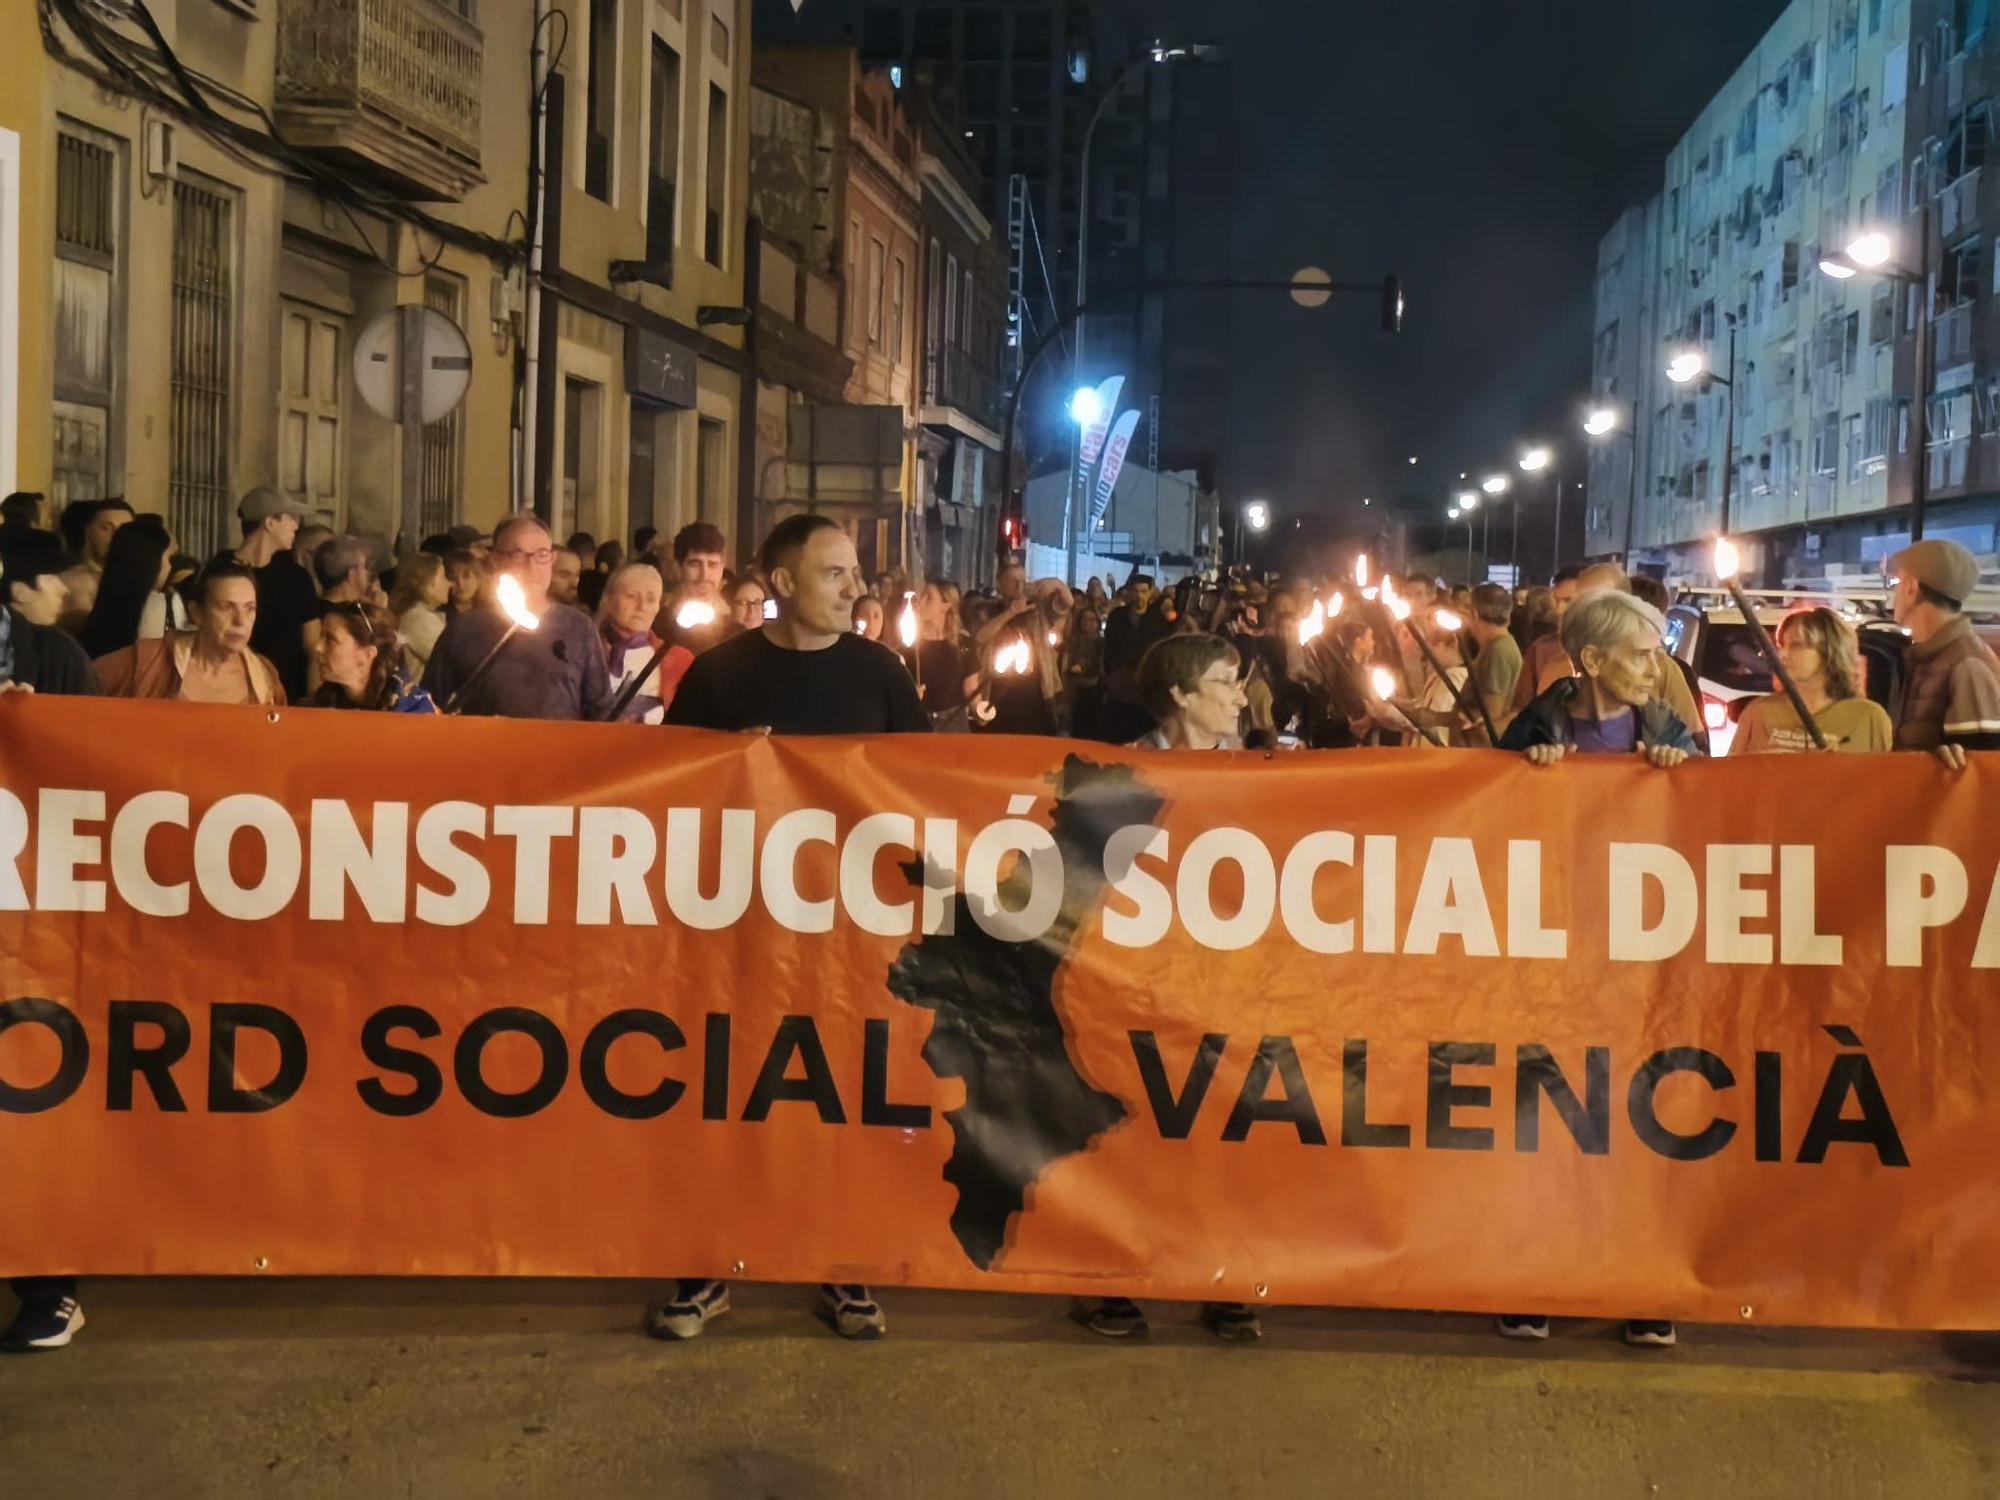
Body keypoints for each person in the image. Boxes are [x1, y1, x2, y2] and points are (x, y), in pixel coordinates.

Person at [655, 515, 927, 1345]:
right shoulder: (719, 674)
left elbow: (922, 789)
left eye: (855, 575)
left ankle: (841, 1265)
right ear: (781, 585)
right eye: (836, 574)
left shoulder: (882, 674)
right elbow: (672, 787)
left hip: (849, 929)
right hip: (739, 925)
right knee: (731, 1087)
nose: (856, 590)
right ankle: (708, 1264)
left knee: (838, 1089)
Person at [1496, 586, 1696, 1352]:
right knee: (1547, 1116)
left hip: (1639, 960)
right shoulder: (1537, 724)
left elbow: (1721, 818)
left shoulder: (1669, 728)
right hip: (1550, 954)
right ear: (1592, 661)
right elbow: (1476, 812)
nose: (1657, 667)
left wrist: (1680, 772)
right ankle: (1536, 1277)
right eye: (1644, 655)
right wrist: (1523, 769)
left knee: (1639, 1118)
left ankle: (1639, 1282)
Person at [1075, 632, 1255, 1340]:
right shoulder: (1120, 773)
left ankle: (1227, 1277)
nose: (1241, 695)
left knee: (1223, 1127)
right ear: (1180, 696)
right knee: (1136, 1128)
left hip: (1228, 981)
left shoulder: (1271, 774)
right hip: (1137, 983)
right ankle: (1120, 1275)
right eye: (1225, 681)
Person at [423, 513, 611, 720]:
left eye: (541, 554)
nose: (531, 567)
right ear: (495, 560)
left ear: (552, 559)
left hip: (559, 749)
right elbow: (430, 706)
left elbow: (600, 710)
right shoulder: (465, 629)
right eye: (518, 555)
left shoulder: (579, 628)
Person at [96, 561, 287, 705]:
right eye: (226, 607)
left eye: (249, 608)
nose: (240, 621)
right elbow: (80, 681)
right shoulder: (151, 660)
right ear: (197, 612)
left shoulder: (264, 677)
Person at [1886, 538, 2000, 766]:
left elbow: (1982, 772)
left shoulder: (1967, 664)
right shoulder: (1926, 656)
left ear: (1911, 588)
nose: (1893, 593)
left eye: (1896, 582)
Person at [1732, 608, 1892, 754]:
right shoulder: (1758, 713)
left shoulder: (1868, 718)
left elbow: (1883, 781)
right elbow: (1729, 777)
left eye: (1796, 645)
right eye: (1782, 645)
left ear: (1829, 651)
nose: (1783, 655)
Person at [224, 487, 317, 700]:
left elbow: (312, 648)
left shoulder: (297, 578)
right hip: (230, 698)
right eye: (290, 518)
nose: (296, 525)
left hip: (285, 701)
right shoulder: (219, 572)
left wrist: (314, 701)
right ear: (270, 522)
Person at [0, 531, 97, 698]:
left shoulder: (61, 653)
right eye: (53, 577)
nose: (64, 589)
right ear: (19, 590)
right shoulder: (61, 652)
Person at [598, 560, 691, 724]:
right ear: (608, 600)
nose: (641, 607)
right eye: (632, 596)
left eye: (650, 599)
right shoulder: (582, 649)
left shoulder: (679, 659)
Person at [307, 603, 436, 713]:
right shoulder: (323, 704)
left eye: (330, 640)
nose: (318, 648)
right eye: (321, 637)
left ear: (367, 655)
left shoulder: (414, 711)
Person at [77, 519, 174, 660]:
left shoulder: (103, 608)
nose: (170, 567)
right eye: (168, 558)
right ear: (150, 563)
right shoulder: (157, 606)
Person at [301, 536, 377, 694]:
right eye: (364, 567)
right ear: (352, 574)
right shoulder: (345, 621)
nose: (368, 574)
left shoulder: (307, 610)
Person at [654, 521, 737, 655]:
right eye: (695, 564)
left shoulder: (736, 630)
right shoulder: (658, 627)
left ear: (722, 568)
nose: (704, 575)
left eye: (712, 564)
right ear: (678, 567)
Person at [1510, 567, 1583, 718]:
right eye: (1556, 600)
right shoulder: (1541, 649)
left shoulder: (1617, 651)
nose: (1560, 610)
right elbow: (1521, 709)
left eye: (1568, 600)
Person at [57, 497, 134, 631]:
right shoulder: (70, 581)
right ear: (88, 532)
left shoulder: (139, 579)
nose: (116, 536)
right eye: (106, 528)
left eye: (124, 529)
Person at [914, 578, 979, 731]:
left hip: (953, 725)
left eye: (928, 597)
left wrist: (980, 711)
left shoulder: (963, 644)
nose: (920, 602)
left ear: (946, 604)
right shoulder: (910, 643)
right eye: (921, 596)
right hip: (918, 723)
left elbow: (971, 689)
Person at [1466, 582, 1522, 739]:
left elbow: (1491, 715)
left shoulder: (1498, 651)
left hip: (1480, 753)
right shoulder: (1494, 646)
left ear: (1474, 613)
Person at [389, 553, 451, 679]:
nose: (449, 583)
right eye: (443, 577)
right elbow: (451, 661)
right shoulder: (418, 619)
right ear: (428, 586)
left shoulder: (419, 615)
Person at [444, 548, 486, 621]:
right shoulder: (441, 617)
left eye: (466, 576)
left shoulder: (490, 611)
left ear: (478, 578)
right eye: (452, 578)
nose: (460, 583)